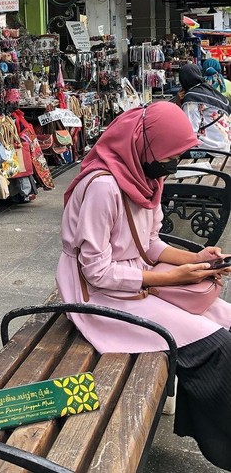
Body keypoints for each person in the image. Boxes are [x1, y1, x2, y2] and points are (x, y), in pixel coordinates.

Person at [56, 101, 231, 470]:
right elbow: (96, 272)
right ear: (143, 145)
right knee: (216, 346)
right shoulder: (103, 186)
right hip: (97, 296)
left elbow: (148, 243)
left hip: (132, 282)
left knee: (224, 319)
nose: (173, 164)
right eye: (169, 155)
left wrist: (196, 259)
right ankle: (222, 444)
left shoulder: (147, 176)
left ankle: (207, 421)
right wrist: (170, 279)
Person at [178, 62, 231, 152]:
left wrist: (179, 103)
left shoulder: (192, 97)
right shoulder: (209, 90)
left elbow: (190, 131)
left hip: (210, 149)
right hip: (224, 146)